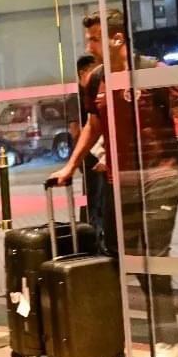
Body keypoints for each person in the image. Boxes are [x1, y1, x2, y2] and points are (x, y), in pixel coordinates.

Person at [51, 9, 178, 357]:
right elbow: (94, 126)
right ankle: (170, 341)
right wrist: (71, 166)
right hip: (122, 183)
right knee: (133, 260)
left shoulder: (152, 72)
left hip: (161, 178)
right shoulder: (97, 80)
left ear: (117, 38)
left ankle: (167, 342)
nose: (89, 46)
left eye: (94, 39)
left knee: (154, 260)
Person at [76, 53, 108, 249]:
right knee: (93, 199)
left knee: (100, 199)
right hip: (90, 156)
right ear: (83, 73)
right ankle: (92, 240)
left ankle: (97, 239)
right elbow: (82, 129)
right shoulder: (78, 96)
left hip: (100, 154)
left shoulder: (98, 89)